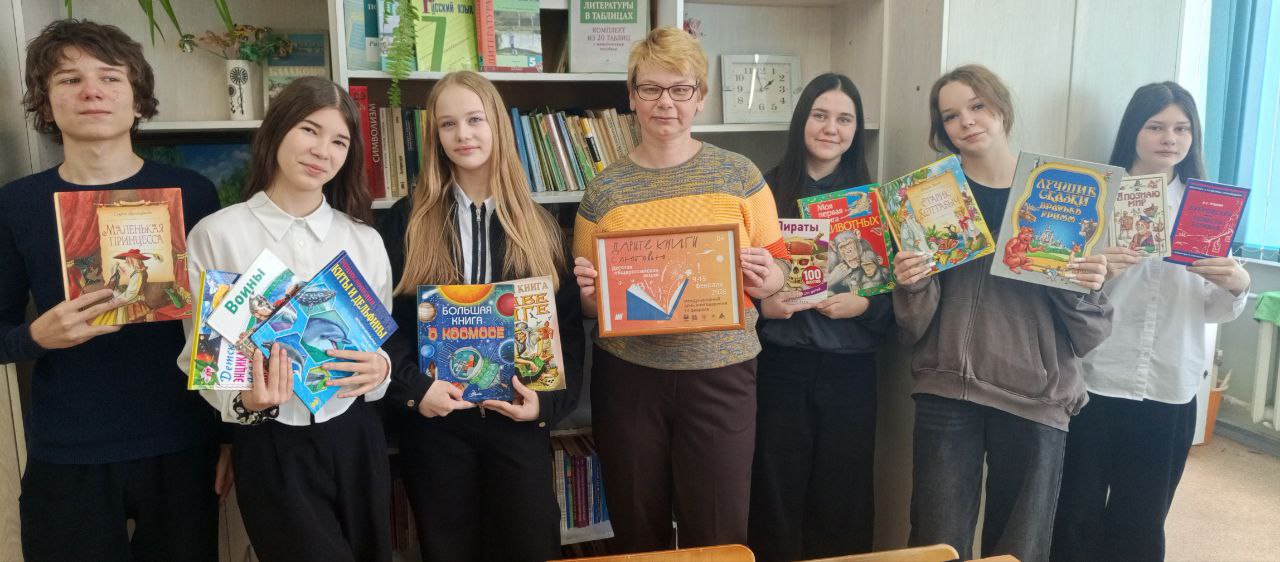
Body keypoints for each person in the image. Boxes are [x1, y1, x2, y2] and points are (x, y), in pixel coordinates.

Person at [0, 19, 224, 561]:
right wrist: (36, 336)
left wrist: (233, 435)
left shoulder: (193, 193)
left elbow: (224, 326)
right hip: (68, 450)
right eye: (69, 79)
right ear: (45, 102)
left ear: (137, 98)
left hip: (183, 441)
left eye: (109, 77)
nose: (91, 91)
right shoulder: (17, 203)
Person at [571, 27, 790, 553]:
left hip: (721, 376)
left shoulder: (739, 175)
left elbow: (780, 266)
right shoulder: (604, 191)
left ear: (700, 97)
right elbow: (590, 304)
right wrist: (591, 293)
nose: (665, 102)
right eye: (650, 88)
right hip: (629, 379)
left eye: (680, 89)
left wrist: (768, 278)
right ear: (631, 97)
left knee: (717, 533)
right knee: (636, 530)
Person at [891, 64, 1113, 562]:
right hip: (947, 388)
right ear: (941, 129)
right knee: (935, 543)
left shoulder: (1058, 192)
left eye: (978, 106)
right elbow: (912, 327)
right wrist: (912, 282)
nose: (966, 121)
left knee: (1019, 549)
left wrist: (1085, 284)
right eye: (951, 115)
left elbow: (1091, 333)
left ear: (1002, 109)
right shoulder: (928, 197)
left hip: (1035, 393)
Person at [178, 76, 393, 562]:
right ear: (276, 130)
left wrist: (380, 369)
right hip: (269, 439)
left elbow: (378, 346)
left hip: (355, 434)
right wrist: (244, 402)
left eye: (339, 141)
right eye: (309, 130)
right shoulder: (217, 235)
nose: (322, 150)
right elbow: (200, 355)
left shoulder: (363, 239)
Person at [380, 70, 584, 562]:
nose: (463, 134)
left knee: (529, 545)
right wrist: (415, 391)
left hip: (516, 423)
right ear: (435, 136)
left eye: (474, 119)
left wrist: (545, 405)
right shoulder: (405, 221)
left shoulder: (541, 226)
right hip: (436, 426)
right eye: (448, 124)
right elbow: (383, 325)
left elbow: (566, 333)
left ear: (497, 125)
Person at [1051, 82, 1251, 562]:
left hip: (1168, 383)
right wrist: (1096, 275)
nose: (1169, 138)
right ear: (1133, 132)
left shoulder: (1210, 209)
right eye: (1156, 126)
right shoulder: (1095, 199)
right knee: (1074, 513)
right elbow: (1059, 295)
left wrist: (1238, 285)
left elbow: (1211, 307)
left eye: (1182, 128)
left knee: (1141, 520)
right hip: (1096, 377)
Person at [748, 72, 892, 561]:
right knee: (774, 494)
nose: (832, 128)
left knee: (843, 498)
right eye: (820, 115)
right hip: (779, 367)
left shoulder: (872, 202)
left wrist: (865, 304)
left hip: (851, 371)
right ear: (801, 120)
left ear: (857, 129)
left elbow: (900, 295)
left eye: (845, 119)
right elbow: (730, 284)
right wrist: (763, 309)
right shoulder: (763, 192)